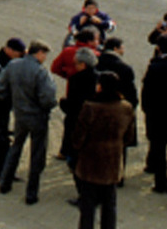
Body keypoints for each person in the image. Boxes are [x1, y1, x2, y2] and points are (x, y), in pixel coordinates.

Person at [71, 71, 135, 229]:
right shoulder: (126, 108)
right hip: (112, 164)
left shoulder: (90, 107)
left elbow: (78, 138)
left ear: (99, 86)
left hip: (90, 164)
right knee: (109, 206)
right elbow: (129, 137)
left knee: (87, 208)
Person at [0, 40, 59, 205]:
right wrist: (47, 107)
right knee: (37, 155)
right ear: (38, 53)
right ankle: (31, 193)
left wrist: (12, 101)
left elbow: (1, 87)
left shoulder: (13, 65)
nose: (45, 57)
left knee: (15, 147)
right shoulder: (40, 72)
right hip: (37, 117)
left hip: (20, 114)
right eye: (44, 54)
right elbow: (48, 97)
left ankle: (5, 182)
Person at [140, 33, 167, 192]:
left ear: (158, 49)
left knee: (157, 148)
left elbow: (147, 91)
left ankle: (160, 183)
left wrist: (147, 109)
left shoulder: (155, 66)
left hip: (156, 114)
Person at [96, 37, 138, 185]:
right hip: (119, 110)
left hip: (98, 108)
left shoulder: (96, 63)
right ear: (116, 48)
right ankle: (118, 176)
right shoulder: (125, 68)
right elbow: (132, 95)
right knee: (120, 145)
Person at [0, 37, 26, 181]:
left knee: (4, 140)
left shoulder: (5, 61)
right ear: (9, 50)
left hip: (5, 107)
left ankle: (5, 171)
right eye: (18, 53)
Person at [60, 47, 100, 171]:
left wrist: (63, 103)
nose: (74, 66)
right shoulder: (99, 77)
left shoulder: (75, 79)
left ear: (83, 64)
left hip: (77, 119)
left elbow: (72, 103)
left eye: (75, 63)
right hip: (95, 119)